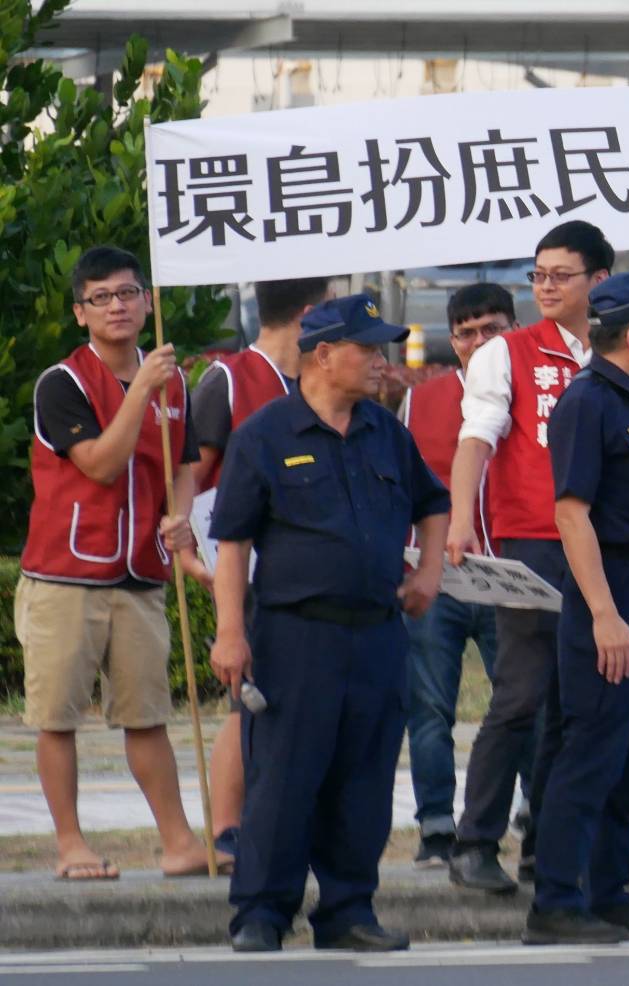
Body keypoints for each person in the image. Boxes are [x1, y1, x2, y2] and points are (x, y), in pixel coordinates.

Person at [208, 294, 448, 953]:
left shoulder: (385, 431)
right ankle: (261, 912)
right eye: (368, 349)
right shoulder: (264, 436)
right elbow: (233, 545)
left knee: (364, 779)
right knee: (284, 778)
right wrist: (231, 633)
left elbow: (433, 504)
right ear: (323, 355)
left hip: (375, 632)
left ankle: (347, 910)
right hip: (294, 636)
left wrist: (429, 571)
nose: (381, 362)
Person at [17, 245, 216, 881]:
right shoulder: (64, 383)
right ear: (81, 313)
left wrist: (179, 521)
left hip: (139, 573)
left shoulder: (174, 380)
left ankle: (180, 842)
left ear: (148, 301)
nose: (118, 307)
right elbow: (101, 463)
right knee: (58, 718)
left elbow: (182, 464)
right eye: (101, 298)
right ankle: (71, 844)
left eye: (128, 293)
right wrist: (142, 392)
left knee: (148, 713)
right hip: (65, 574)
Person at [525, 270, 629, 944]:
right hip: (611, 593)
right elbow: (573, 515)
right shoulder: (587, 403)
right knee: (590, 749)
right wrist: (602, 613)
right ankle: (557, 902)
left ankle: (608, 890)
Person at [445, 221, 612, 893]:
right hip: (534, 546)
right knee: (521, 691)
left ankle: (549, 846)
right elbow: (475, 438)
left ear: (598, 281)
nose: (544, 286)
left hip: (604, 549)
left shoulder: (618, 350)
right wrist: (461, 517)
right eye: (537, 275)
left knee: (580, 704)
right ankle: (473, 842)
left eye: (559, 275)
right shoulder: (505, 353)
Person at [191, 276, 331, 864]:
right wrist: (198, 560)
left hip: (305, 572)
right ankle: (226, 830)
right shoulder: (228, 378)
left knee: (301, 705)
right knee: (244, 703)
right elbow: (190, 479)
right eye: (330, 312)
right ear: (306, 314)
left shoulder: (315, 384)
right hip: (244, 567)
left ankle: (283, 824)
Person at [398, 283, 523, 867]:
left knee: (524, 702)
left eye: (492, 330)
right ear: (451, 341)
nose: (478, 343)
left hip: (512, 572)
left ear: (513, 331)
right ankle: (436, 827)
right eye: (466, 333)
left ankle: (534, 810)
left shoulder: (535, 391)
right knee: (428, 707)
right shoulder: (420, 401)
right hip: (438, 574)